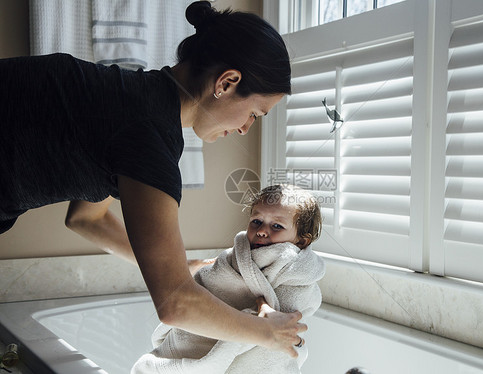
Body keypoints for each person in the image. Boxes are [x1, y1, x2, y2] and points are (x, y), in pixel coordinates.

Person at [0, 1, 303, 357]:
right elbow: (176, 305)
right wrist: (266, 333)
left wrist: (182, 266)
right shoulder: (150, 138)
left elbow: (86, 218)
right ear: (227, 82)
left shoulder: (135, 98)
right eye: (254, 112)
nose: (245, 127)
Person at [131, 184, 325, 374]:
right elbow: (205, 287)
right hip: (202, 344)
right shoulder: (231, 259)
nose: (262, 231)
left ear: (301, 240)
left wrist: (265, 310)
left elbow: (289, 316)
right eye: (256, 221)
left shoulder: (299, 273)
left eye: (276, 226)